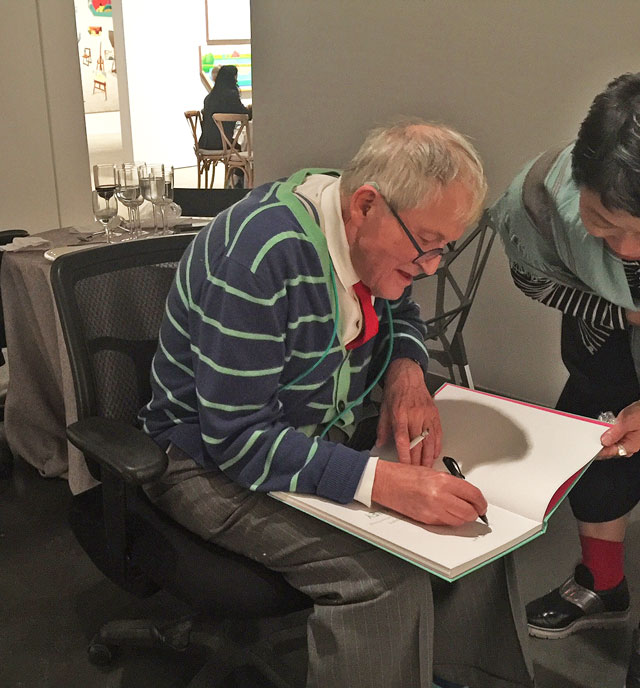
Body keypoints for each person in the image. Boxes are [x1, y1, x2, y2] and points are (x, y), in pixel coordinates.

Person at [140, 120, 535, 688]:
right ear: (366, 205)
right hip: (201, 459)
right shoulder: (261, 255)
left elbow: (401, 308)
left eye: (443, 249)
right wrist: (385, 483)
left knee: (475, 532)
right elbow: (236, 436)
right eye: (425, 245)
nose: (431, 267)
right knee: (381, 581)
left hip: (310, 432)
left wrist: (405, 371)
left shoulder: (357, 219)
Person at [490, 72, 640, 687]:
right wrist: (617, 313)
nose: (628, 251)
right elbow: (530, 278)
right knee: (597, 463)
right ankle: (601, 585)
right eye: (604, 224)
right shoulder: (539, 203)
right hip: (603, 344)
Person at [198, 64, 251, 188]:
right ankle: (238, 182)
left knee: (237, 146)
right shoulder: (231, 95)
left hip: (205, 143)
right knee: (241, 149)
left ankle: (232, 181)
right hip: (223, 144)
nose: (236, 80)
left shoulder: (209, 98)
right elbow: (244, 114)